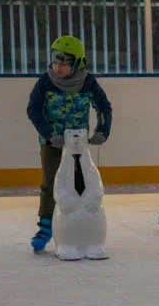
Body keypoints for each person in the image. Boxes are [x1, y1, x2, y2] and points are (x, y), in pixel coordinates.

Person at [26, 35, 112, 253]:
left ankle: (82, 227)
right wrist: (48, 133)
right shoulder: (45, 81)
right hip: (52, 142)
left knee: (81, 181)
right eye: (55, 61)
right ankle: (45, 226)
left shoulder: (87, 82)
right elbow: (33, 109)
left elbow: (104, 106)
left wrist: (102, 130)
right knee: (51, 181)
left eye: (64, 63)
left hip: (78, 142)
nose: (58, 67)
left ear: (77, 63)